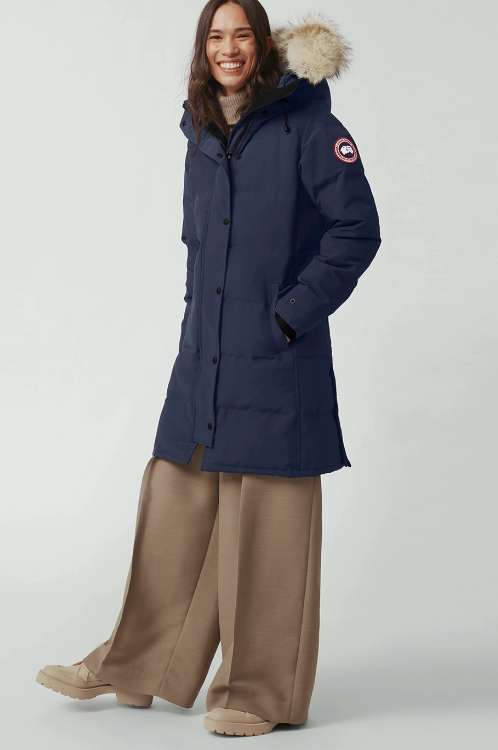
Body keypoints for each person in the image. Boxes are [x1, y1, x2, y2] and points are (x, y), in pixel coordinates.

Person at [36, 0, 381, 738]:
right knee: (173, 504)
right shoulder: (199, 131)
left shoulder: (310, 128)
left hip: (278, 359)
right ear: (204, 48)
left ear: (265, 46)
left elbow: (358, 229)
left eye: (242, 35)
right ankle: (135, 665)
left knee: (268, 532)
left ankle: (259, 692)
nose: (229, 48)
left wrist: (289, 314)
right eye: (216, 36)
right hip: (205, 355)